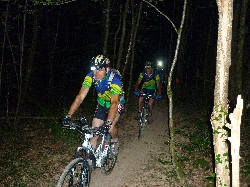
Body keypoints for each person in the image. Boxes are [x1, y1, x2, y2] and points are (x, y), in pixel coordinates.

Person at [62, 55, 125, 155]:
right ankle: (89, 163)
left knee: (110, 127)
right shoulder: (90, 76)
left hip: (116, 104)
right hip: (101, 104)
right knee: (93, 133)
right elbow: (80, 97)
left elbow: (114, 103)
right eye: (94, 69)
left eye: (100, 70)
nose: (96, 73)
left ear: (107, 69)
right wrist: (69, 115)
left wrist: (108, 122)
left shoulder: (115, 79)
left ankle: (115, 140)